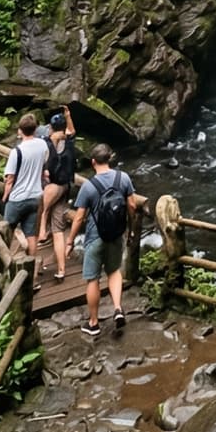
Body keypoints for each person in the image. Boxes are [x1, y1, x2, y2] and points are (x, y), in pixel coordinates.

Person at [68, 144, 142, 340]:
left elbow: (79, 217)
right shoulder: (123, 178)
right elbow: (132, 205)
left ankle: (93, 323)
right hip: (116, 234)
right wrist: (130, 228)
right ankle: (118, 308)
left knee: (92, 279)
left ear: (93, 162)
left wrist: (70, 241)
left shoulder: (89, 186)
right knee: (114, 271)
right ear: (110, 158)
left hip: (95, 236)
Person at [0, 112, 50, 258]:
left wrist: (4, 197)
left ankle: (4, 263)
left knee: (6, 232)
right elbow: (43, 163)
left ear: (20, 130)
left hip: (17, 198)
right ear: (35, 129)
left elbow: (9, 179)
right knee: (31, 235)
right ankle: (31, 269)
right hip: (35, 196)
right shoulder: (42, 145)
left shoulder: (17, 152)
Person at [36, 107, 78, 279]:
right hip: (66, 188)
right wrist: (69, 116)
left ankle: (42, 231)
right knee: (59, 231)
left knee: (43, 210)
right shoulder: (69, 141)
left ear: (51, 128)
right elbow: (72, 131)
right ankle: (61, 270)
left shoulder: (47, 143)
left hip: (53, 186)